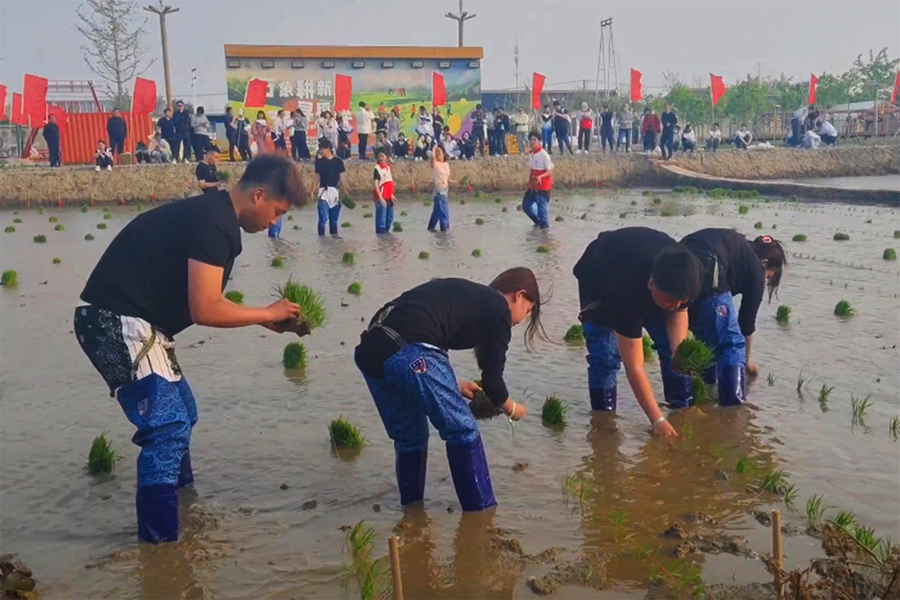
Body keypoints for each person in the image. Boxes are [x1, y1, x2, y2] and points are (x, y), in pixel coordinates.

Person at [74, 154, 306, 545]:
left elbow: (207, 300)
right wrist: (266, 312)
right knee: (167, 426)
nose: (275, 221)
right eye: (277, 211)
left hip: (136, 322)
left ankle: (182, 510)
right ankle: (161, 546)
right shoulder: (214, 224)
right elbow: (205, 309)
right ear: (259, 195)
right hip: (113, 322)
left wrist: (262, 319)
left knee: (183, 412)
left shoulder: (214, 215)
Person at [353, 268, 543, 511]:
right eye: (527, 310)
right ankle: (481, 513)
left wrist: (453, 385)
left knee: (410, 438)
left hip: (371, 352)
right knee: (463, 428)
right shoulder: (499, 307)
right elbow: (493, 382)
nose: (521, 319)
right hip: (409, 349)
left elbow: (424, 333)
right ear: (519, 295)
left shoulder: (467, 296)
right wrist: (513, 408)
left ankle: (412, 513)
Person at [573, 227, 702, 437]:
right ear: (651, 284)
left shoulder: (687, 274)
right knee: (605, 356)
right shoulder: (626, 294)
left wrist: (678, 355)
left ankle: (681, 406)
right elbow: (634, 367)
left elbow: (680, 311)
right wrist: (657, 420)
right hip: (598, 275)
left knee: (668, 344)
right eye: (671, 301)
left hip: (647, 267)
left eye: (681, 300)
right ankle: (604, 421)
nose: (676, 306)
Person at [681, 229, 787, 406]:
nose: (765, 280)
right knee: (731, 343)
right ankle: (733, 406)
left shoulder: (739, 249)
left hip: (678, 260)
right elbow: (746, 323)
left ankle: (700, 392)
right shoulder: (756, 268)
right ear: (764, 263)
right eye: (768, 276)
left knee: (706, 336)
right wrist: (745, 361)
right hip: (709, 264)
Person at [311, 139, 348, 236]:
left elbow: (342, 179)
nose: (320, 151)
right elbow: (316, 178)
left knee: (334, 221)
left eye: (321, 149)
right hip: (323, 192)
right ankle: (321, 239)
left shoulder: (338, 162)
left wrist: (345, 193)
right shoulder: (319, 162)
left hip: (334, 192)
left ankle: (334, 241)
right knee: (322, 219)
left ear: (327, 149)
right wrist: (312, 192)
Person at [520, 132, 554, 229]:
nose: (532, 142)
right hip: (532, 187)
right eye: (530, 140)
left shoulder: (544, 155)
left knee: (542, 213)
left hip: (543, 188)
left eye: (534, 140)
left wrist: (540, 177)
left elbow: (550, 170)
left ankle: (544, 231)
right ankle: (537, 223)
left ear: (539, 141)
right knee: (526, 206)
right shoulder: (531, 154)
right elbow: (528, 165)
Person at [427, 146, 454, 232]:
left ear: (443, 153)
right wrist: (434, 149)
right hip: (439, 191)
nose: (438, 153)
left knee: (436, 213)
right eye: (436, 152)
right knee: (444, 214)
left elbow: (447, 179)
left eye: (439, 151)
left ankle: (430, 230)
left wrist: (458, 182)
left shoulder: (446, 165)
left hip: (445, 190)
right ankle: (445, 233)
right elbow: (432, 160)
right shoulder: (435, 164)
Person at [373, 150, 397, 234]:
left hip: (389, 197)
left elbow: (389, 182)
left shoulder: (388, 168)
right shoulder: (377, 169)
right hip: (381, 197)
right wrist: (380, 198)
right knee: (381, 222)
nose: (381, 158)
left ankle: (386, 238)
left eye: (382, 156)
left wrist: (392, 195)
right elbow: (376, 185)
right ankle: (381, 237)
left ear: (386, 157)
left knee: (389, 218)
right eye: (379, 157)